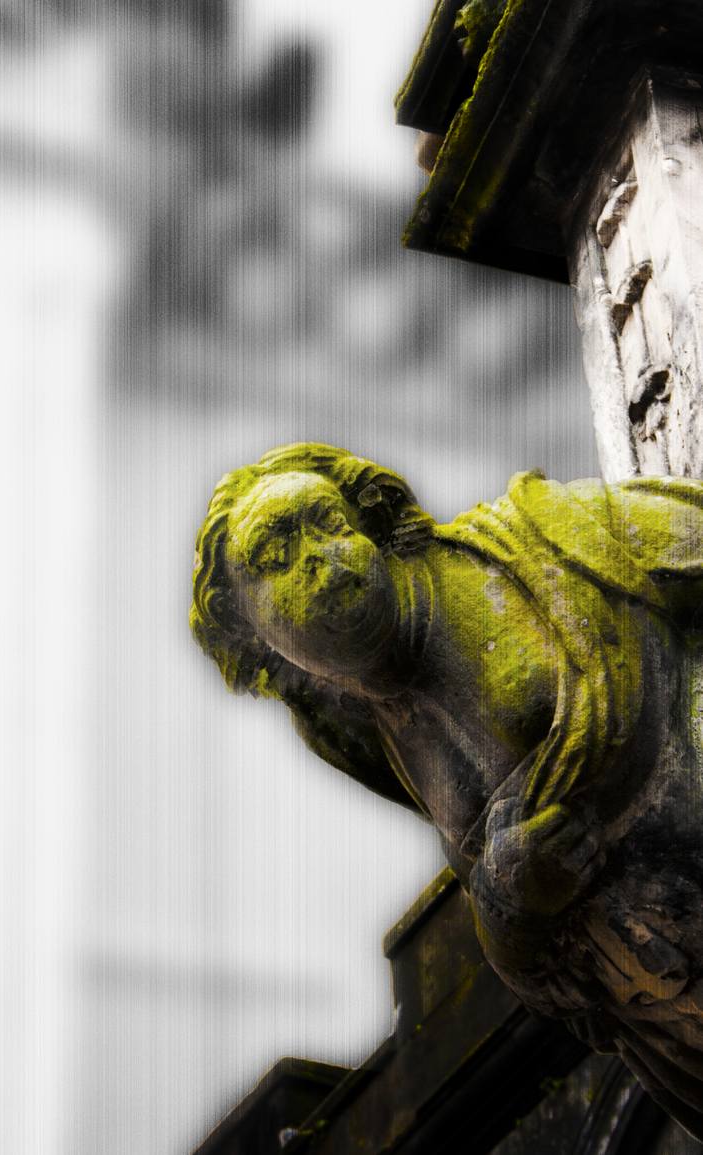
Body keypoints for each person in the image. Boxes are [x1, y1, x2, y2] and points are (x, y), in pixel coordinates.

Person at [192, 442, 703, 1137]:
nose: (320, 559)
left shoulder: (544, 536)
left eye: (328, 522)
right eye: (276, 556)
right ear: (256, 642)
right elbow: (533, 959)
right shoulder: (370, 738)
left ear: (371, 525)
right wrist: (510, 903)